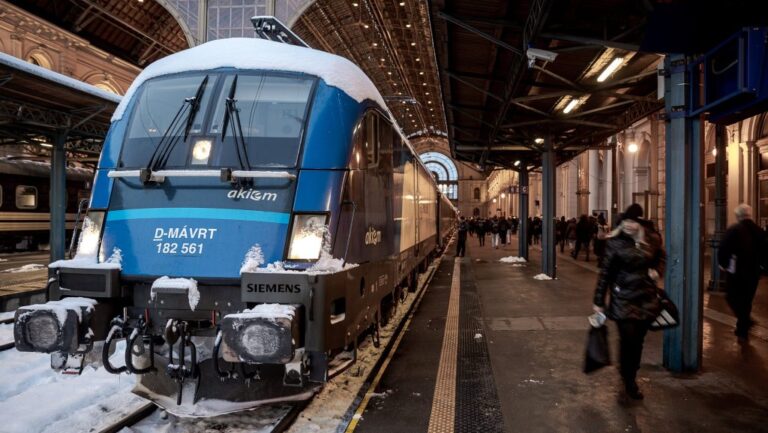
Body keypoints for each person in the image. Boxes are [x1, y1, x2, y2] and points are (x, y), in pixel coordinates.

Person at [593, 203, 665, 401]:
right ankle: (627, 378)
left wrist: (657, 270)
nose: (628, 225)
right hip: (623, 297)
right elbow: (605, 273)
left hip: (645, 298)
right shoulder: (615, 242)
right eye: (625, 221)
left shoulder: (652, 240)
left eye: (632, 221)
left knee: (638, 341)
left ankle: (631, 374)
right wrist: (598, 301)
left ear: (640, 223)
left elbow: (661, 258)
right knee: (628, 339)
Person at [717, 204, 767, 341]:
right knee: (747, 301)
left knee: (731, 296)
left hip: (736, 272)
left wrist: (723, 264)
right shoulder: (759, 231)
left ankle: (745, 322)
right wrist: (763, 269)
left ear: (738, 216)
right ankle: (742, 330)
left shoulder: (734, 230)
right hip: (754, 273)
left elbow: (724, 249)